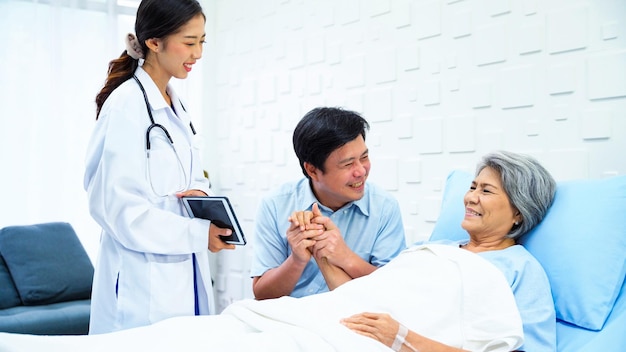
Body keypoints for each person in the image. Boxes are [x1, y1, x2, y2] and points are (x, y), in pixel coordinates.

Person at [84, 0, 234, 335]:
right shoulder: (126, 106)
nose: (198, 54)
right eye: (189, 42)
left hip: (182, 272)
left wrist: (199, 194)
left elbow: (190, 175)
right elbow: (121, 211)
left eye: (202, 42)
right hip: (142, 284)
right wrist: (197, 233)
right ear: (154, 42)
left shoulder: (174, 104)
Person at [340, 150, 557, 352]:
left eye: (486, 190)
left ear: (519, 212)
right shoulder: (431, 249)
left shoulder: (520, 269)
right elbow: (363, 299)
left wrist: (403, 340)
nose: (471, 198)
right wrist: (322, 252)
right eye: (472, 187)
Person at [251, 107, 407, 300]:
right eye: (348, 164)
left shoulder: (384, 207)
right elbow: (262, 295)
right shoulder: (275, 205)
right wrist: (297, 260)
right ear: (313, 170)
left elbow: (396, 290)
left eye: (364, 157)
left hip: (353, 317)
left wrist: (346, 258)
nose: (361, 171)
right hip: (288, 319)